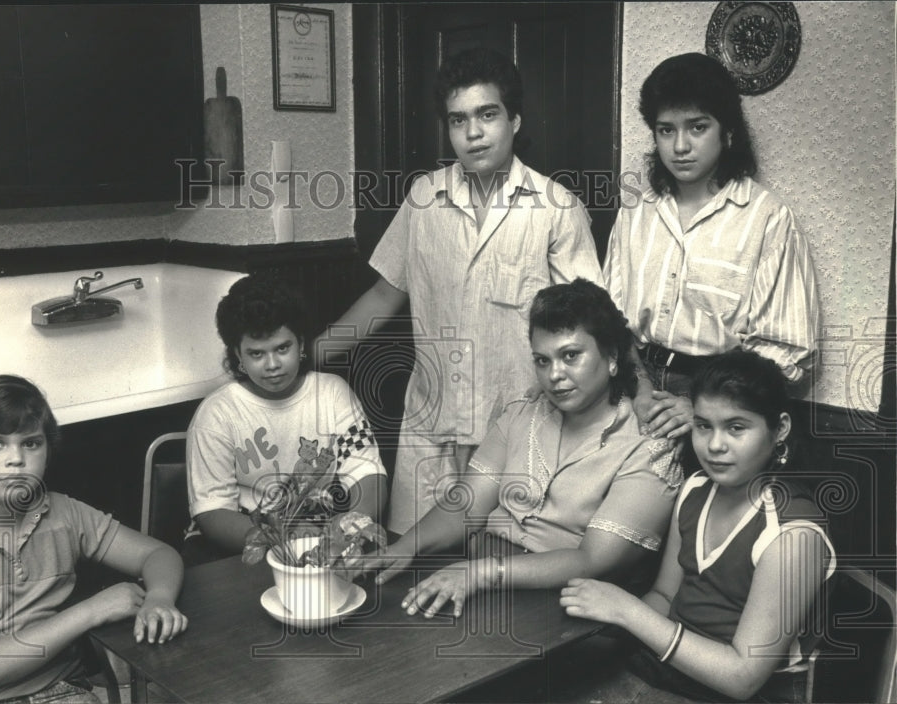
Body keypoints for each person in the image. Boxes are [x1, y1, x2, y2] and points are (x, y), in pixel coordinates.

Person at [315, 47, 603, 534]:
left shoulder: (556, 207)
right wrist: (308, 355)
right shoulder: (423, 199)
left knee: (499, 574)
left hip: (518, 427)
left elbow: (593, 323)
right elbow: (385, 295)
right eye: (457, 120)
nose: (472, 133)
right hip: (432, 426)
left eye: (487, 115)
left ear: (514, 119)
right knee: (411, 562)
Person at [361, 280, 681, 618]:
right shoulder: (522, 412)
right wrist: (406, 546)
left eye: (571, 356)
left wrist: (481, 573)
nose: (555, 374)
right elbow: (466, 505)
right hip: (483, 579)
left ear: (612, 357)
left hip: (571, 607)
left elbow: (592, 561)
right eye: (542, 361)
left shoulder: (649, 447)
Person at [560, 350, 835, 703]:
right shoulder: (695, 489)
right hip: (667, 673)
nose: (715, 445)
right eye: (704, 425)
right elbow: (664, 596)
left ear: (779, 428)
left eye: (736, 427)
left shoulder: (793, 534)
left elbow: (743, 677)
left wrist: (626, 611)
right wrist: (602, 624)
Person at [0, 375, 188, 704]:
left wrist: (160, 598)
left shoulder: (64, 512)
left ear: (48, 451)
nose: (16, 459)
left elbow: (158, 555)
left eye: (31, 443)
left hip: (63, 689)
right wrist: (91, 611)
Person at [606, 53, 819, 443]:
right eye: (666, 130)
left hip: (724, 409)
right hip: (636, 388)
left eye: (697, 127)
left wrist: (700, 408)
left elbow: (787, 353)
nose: (680, 146)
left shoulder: (768, 219)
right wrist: (639, 389)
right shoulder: (637, 212)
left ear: (727, 132)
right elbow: (613, 321)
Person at [182, 273, 388, 565]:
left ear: (301, 344)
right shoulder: (217, 414)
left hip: (323, 536)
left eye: (282, 348)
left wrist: (346, 527)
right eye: (256, 354)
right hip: (240, 543)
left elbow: (368, 474)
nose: (273, 365)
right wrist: (280, 541)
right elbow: (212, 512)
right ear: (237, 356)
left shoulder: (333, 394)